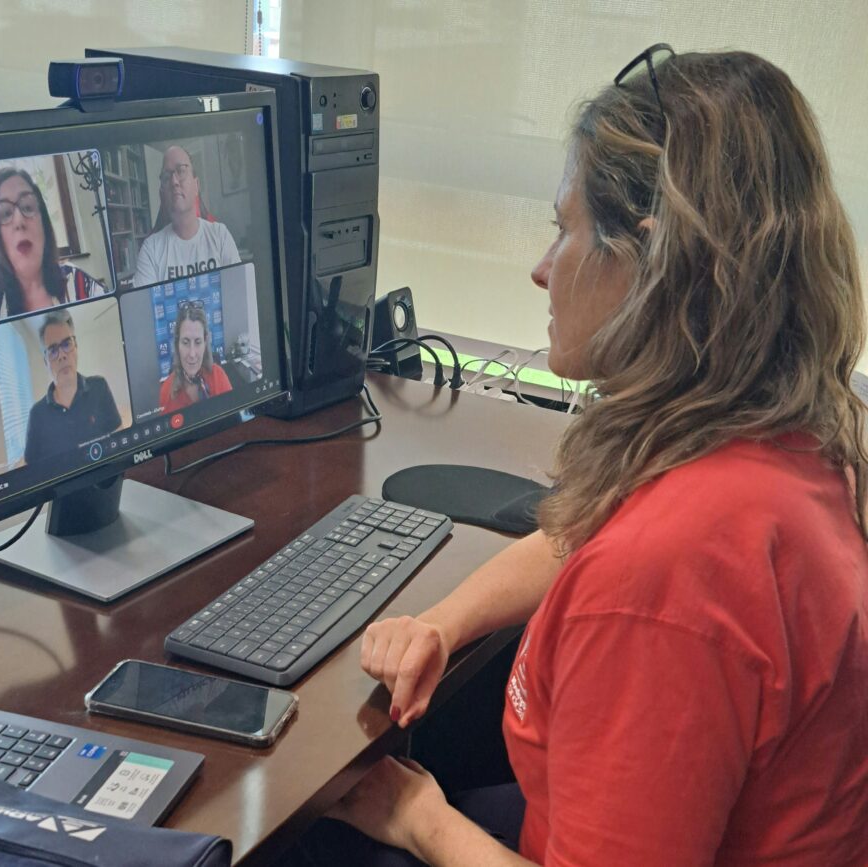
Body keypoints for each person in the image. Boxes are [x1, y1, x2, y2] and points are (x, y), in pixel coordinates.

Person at [307, 48, 868, 866]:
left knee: (319, 837)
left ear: (650, 263)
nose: (542, 270)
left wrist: (419, 819)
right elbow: (586, 531)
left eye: (564, 229)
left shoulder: (666, 577)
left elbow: (643, 574)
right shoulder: (789, 439)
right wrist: (440, 622)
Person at [0, 168, 108, 325]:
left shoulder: (76, 280)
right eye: (6, 213)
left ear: (44, 224)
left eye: (28, 207)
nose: (19, 221)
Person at [132, 145, 241, 287]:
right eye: (166, 176)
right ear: (162, 192)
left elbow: (238, 292)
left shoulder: (220, 236)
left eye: (181, 170)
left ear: (197, 185)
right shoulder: (150, 249)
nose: (174, 181)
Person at [23, 309, 121, 464]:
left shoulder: (99, 387)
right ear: (46, 361)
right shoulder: (36, 415)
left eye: (67, 344)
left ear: (76, 347)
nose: (62, 355)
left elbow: (119, 439)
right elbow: (31, 469)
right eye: (53, 350)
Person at [159, 304, 233, 412]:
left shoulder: (219, 376)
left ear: (205, 343)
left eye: (198, 342)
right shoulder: (166, 390)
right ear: (177, 344)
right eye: (185, 342)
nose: (192, 354)